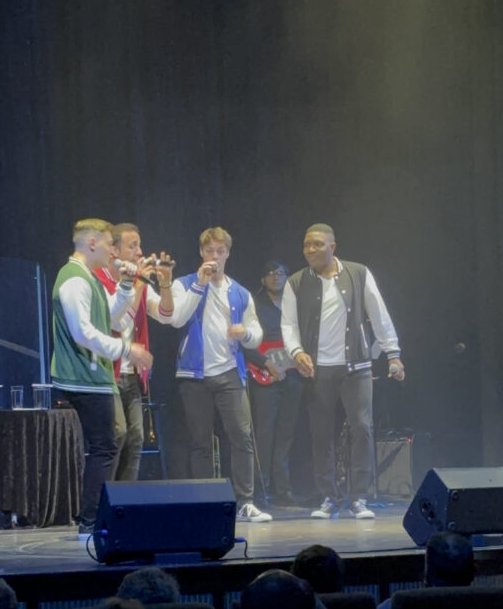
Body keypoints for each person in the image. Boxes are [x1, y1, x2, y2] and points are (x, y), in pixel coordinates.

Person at [281, 223, 404, 520]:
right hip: (317, 369)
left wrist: (393, 355)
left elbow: (379, 313)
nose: (311, 249)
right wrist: (297, 352)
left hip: (356, 366)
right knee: (321, 433)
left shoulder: (358, 273)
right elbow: (288, 325)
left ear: (332, 246)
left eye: (318, 244)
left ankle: (358, 496)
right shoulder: (296, 282)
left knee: (362, 427)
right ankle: (329, 497)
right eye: (307, 244)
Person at [51, 218, 153, 535]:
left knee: (106, 445)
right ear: (92, 243)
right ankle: (91, 521)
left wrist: (125, 285)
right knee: (105, 447)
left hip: (94, 377)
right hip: (83, 377)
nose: (113, 250)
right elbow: (83, 332)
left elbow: (107, 315)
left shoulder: (88, 279)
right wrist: (127, 349)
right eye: (110, 243)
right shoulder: (73, 280)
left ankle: (98, 518)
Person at [168, 227, 272, 523]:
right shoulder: (184, 284)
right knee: (200, 441)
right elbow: (176, 319)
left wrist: (246, 332)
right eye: (209, 251)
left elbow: (257, 333)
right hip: (193, 374)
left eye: (220, 251)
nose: (214, 256)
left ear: (228, 253)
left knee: (241, 436)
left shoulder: (240, 292)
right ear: (201, 253)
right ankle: (207, 502)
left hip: (229, 372)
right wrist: (200, 284)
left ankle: (245, 502)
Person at [94, 223, 174, 481]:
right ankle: (106, 498)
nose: (140, 251)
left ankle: (127, 501)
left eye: (140, 245)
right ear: (114, 251)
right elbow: (116, 320)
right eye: (133, 246)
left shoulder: (139, 281)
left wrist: (166, 283)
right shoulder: (99, 279)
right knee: (117, 434)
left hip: (132, 374)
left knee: (137, 437)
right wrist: (137, 281)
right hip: (107, 372)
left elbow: (165, 314)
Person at [246, 261, 304, 505]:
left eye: (281, 273)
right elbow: (247, 344)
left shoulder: (296, 306)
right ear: (263, 279)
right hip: (265, 375)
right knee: (265, 433)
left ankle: (284, 489)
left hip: (292, 375)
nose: (276, 277)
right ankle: (261, 488)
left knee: (287, 433)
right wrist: (266, 363)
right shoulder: (255, 306)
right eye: (271, 273)